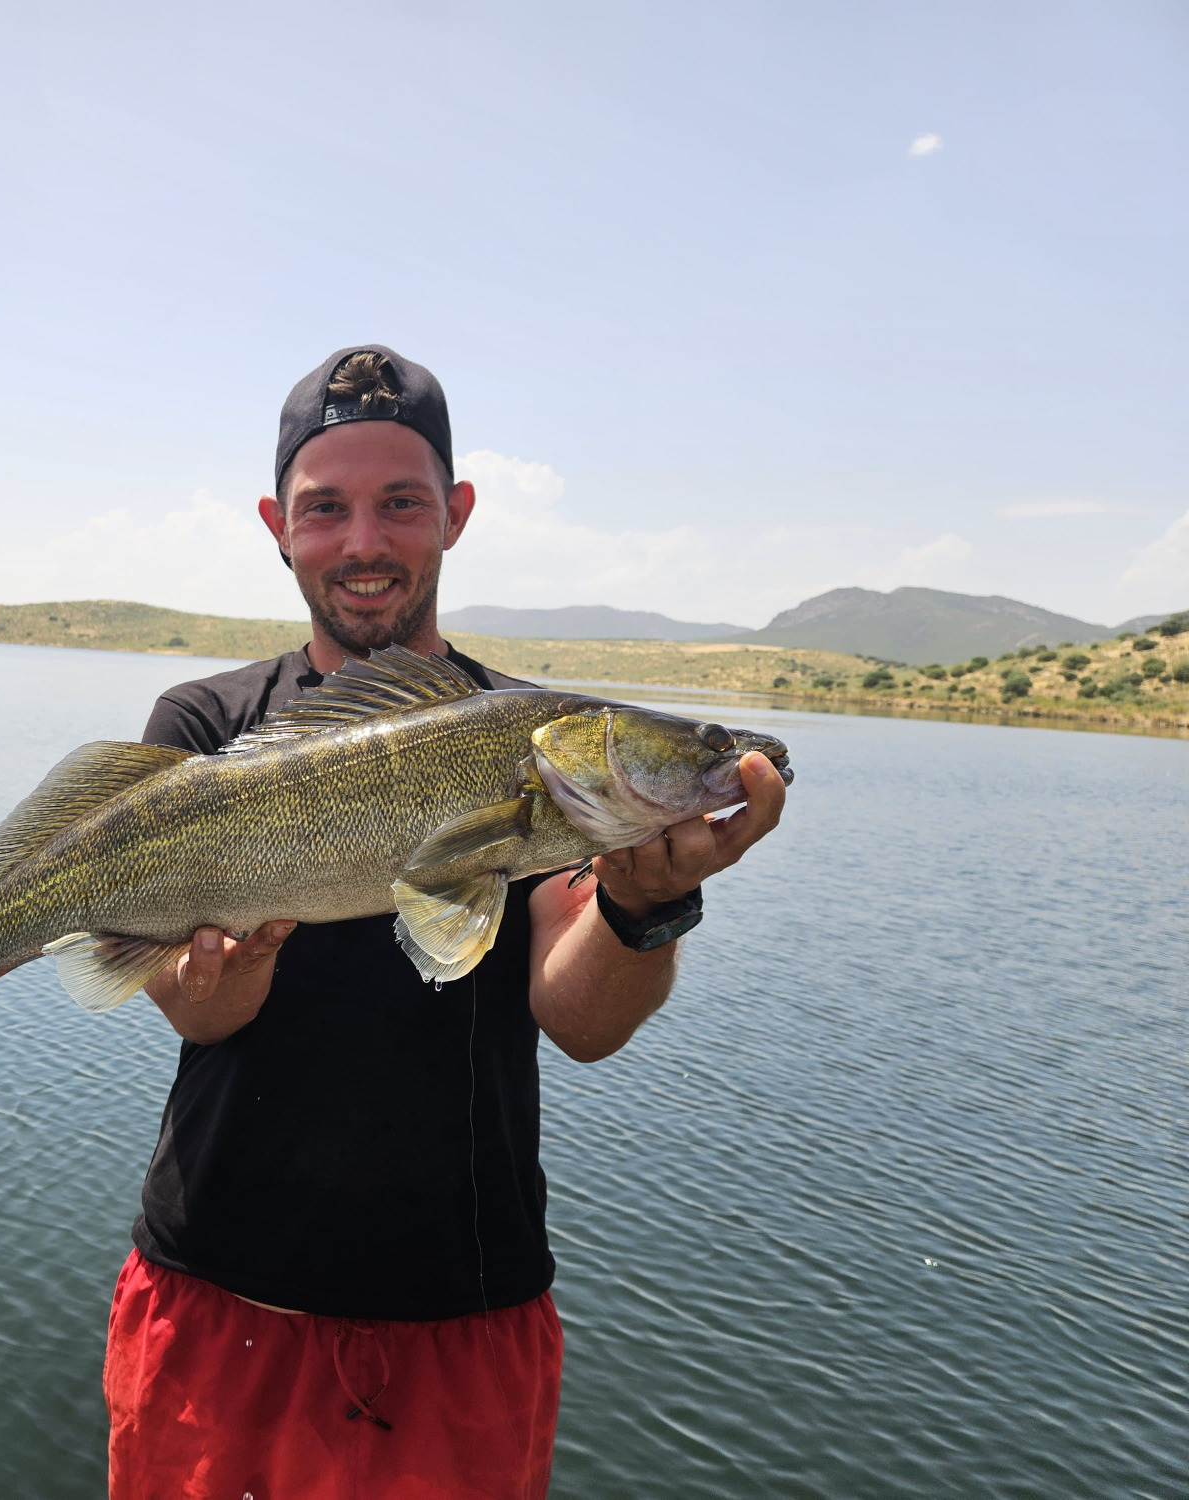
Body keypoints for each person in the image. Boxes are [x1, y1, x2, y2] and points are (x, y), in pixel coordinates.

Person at [101, 345, 787, 1498]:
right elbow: (193, 1010)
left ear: (455, 514)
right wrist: (223, 973)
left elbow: (581, 1020)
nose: (362, 541)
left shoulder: (540, 749)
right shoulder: (204, 725)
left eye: (401, 503)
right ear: (277, 526)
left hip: (461, 1320)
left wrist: (646, 902)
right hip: (214, 1299)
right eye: (325, 508)